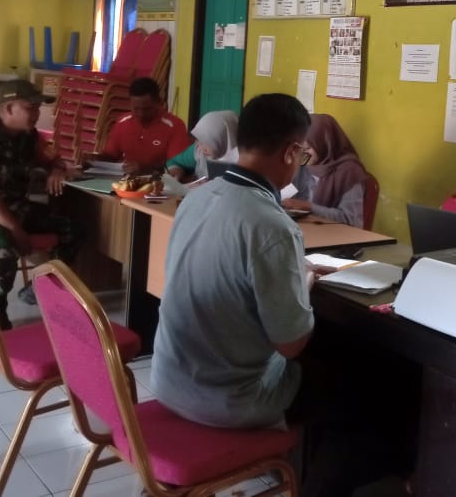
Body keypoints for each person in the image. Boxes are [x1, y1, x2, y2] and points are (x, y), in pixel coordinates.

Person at [151, 93, 411, 496]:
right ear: (291, 152)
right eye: (301, 154)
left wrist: (288, 273)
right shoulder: (272, 225)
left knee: (339, 360)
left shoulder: (196, 198)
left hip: (170, 377)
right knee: (373, 392)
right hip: (227, 398)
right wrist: (301, 284)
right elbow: (291, 345)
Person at [0, 81, 80, 329]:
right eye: (31, 107)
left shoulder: (28, 136)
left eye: (38, 107)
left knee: (73, 226)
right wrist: (15, 228)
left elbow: (54, 159)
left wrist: (56, 170)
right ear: (9, 108)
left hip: (15, 208)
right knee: (2, 243)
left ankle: (40, 288)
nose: (37, 113)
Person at [283, 114, 369, 227]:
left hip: (336, 233)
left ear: (325, 143)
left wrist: (309, 207)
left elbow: (350, 220)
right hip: (305, 228)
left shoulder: (350, 172)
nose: (303, 153)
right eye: (299, 147)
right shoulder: (303, 164)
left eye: (308, 148)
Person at [96, 77, 189, 174]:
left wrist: (146, 169)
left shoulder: (175, 125)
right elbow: (110, 156)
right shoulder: (122, 122)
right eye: (136, 109)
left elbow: (177, 166)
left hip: (158, 181)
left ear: (159, 102)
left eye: (146, 109)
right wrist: (93, 160)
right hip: (124, 180)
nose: (141, 114)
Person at [165, 109, 239, 182]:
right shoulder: (199, 150)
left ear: (227, 139)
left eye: (208, 141)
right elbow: (173, 160)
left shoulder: (242, 162)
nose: (200, 147)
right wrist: (177, 170)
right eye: (199, 139)